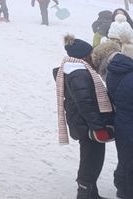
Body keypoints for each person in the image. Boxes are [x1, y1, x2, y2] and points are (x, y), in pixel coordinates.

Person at [55, 36, 113, 199]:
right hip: (86, 124)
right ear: (84, 55)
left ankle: (90, 192)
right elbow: (85, 103)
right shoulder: (78, 72)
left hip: (83, 122)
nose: (93, 56)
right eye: (91, 53)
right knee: (91, 158)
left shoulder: (75, 69)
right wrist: (98, 127)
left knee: (92, 156)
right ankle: (85, 193)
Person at [104, 48, 133, 199]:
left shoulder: (113, 73)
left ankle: (122, 188)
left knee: (125, 159)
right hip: (129, 125)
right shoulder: (129, 77)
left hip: (122, 124)